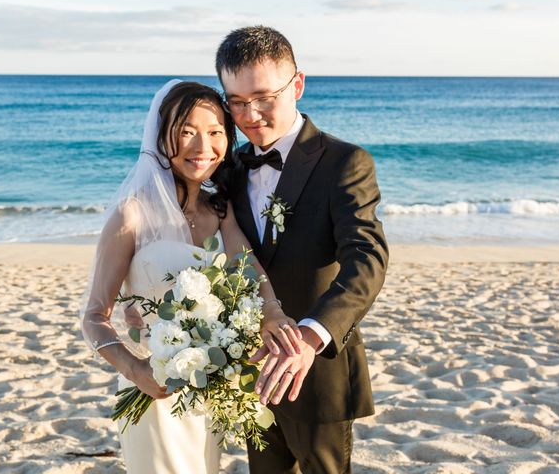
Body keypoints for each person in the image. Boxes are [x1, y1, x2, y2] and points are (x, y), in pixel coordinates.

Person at [80, 80, 301, 474]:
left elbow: (248, 266)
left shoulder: (220, 209)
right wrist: (135, 369)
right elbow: (93, 317)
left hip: (209, 392)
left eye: (215, 132)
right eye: (187, 132)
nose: (203, 148)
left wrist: (270, 311)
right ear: (161, 137)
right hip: (154, 390)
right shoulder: (132, 215)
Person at [215, 26, 389, 473]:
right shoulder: (229, 167)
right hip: (251, 369)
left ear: (297, 85)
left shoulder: (345, 162)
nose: (250, 115)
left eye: (263, 97)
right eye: (235, 101)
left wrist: (311, 337)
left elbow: (366, 259)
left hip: (319, 372)